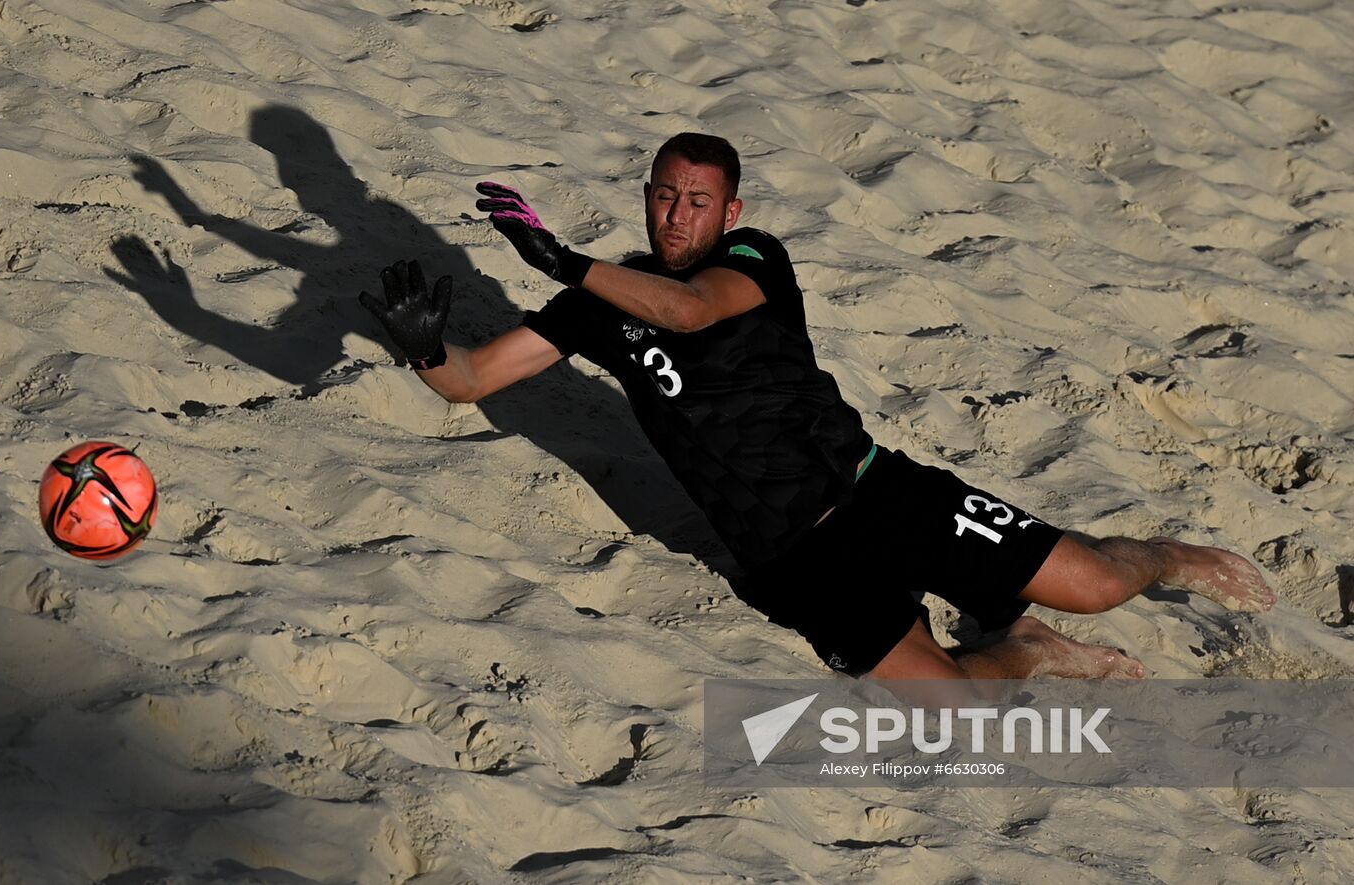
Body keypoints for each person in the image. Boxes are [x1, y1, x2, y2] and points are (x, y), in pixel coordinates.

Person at [359, 132, 1275, 681]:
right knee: (946, 708)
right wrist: (427, 347)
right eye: (666, 196)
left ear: (730, 210)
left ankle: (1167, 551)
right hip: (791, 556)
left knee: (1102, 587)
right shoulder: (598, 303)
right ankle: (1026, 647)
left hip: (879, 491)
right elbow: (474, 382)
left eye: (698, 201)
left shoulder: (753, 261)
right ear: (645, 199)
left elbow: (689, 311)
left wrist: (559, 257)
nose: (678, 216)